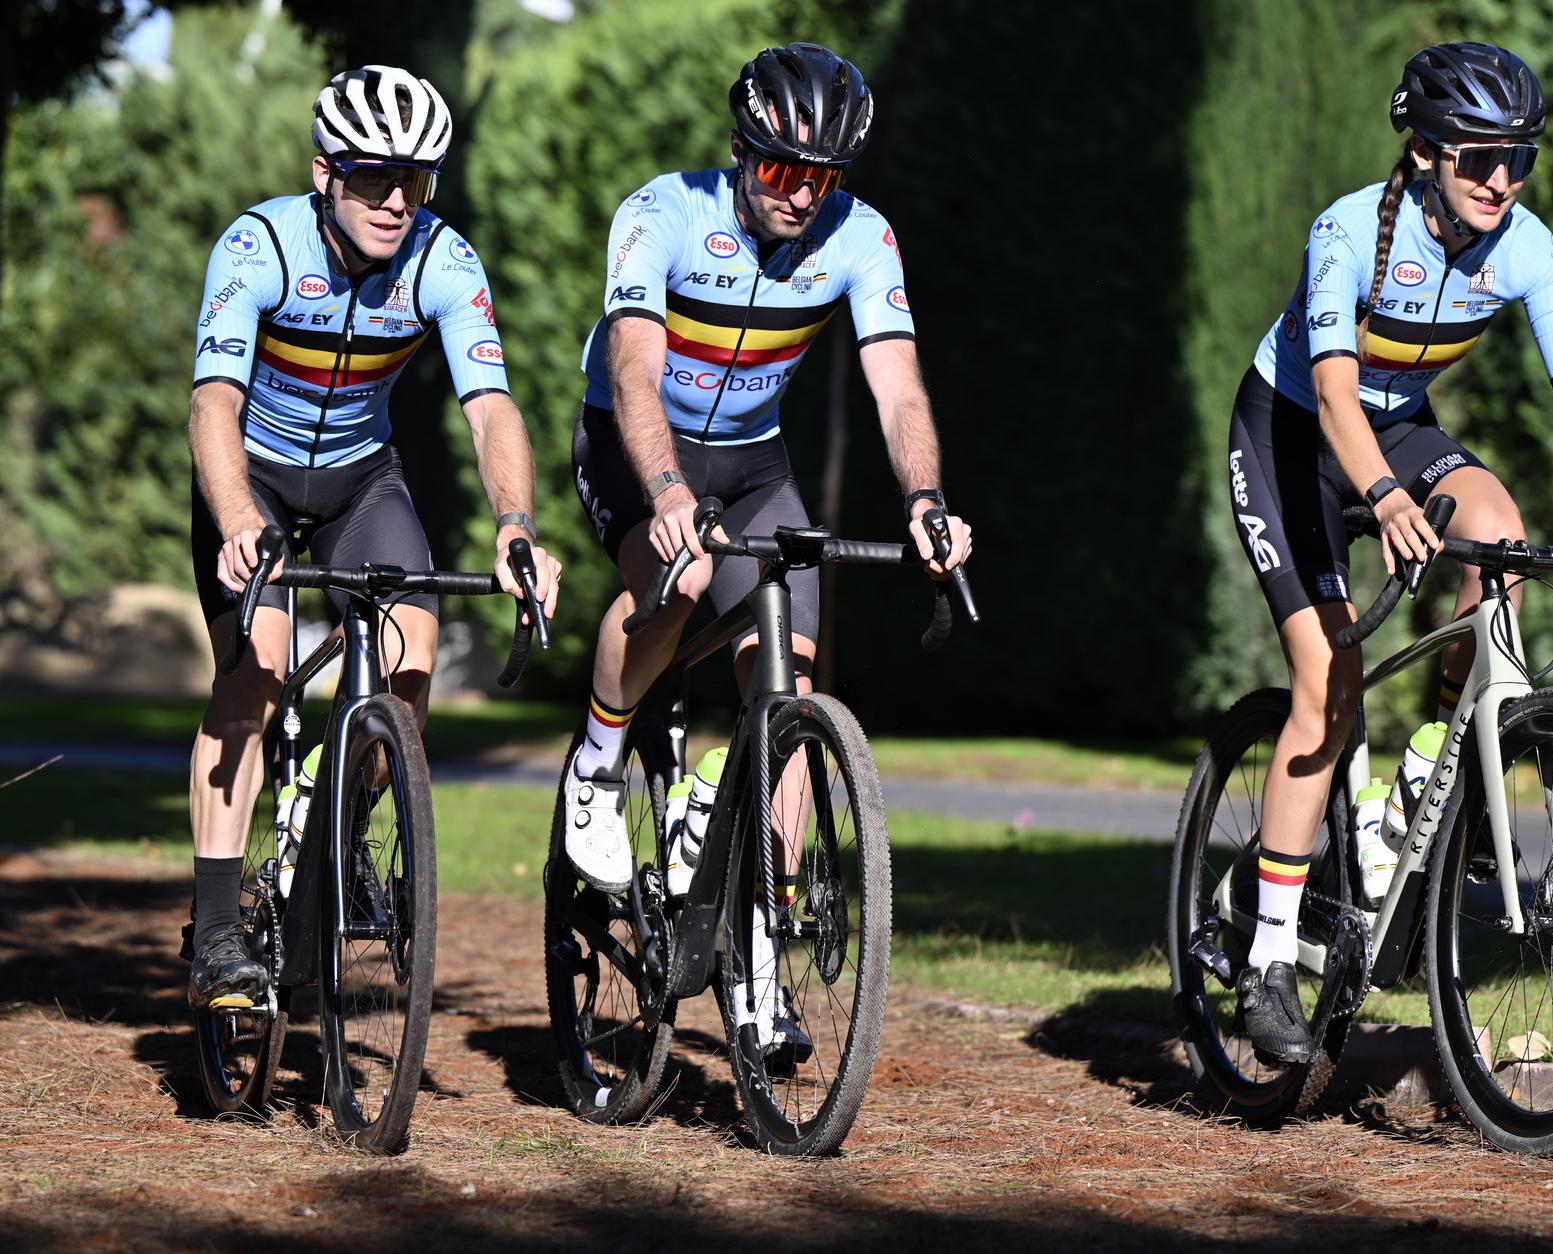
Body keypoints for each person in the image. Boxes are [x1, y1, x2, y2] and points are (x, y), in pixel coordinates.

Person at [1226, 42, 1553, 1062]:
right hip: (1291, 433)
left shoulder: (1525, 245)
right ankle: (1265, 960)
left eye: (1519, 159)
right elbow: (1336, 396)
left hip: (1399, 429)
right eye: (1480, 159)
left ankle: (1430, 767)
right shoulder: (1347, 230)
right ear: (1425, 152)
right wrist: (1384, 494)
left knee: (1502, 537)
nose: (1501, 181)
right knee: (1329, 680)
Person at [563, 42, 972, 1051]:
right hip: (634, 444)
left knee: (785, 686)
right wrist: (665, 491)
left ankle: (755, 958)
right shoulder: (662, 213)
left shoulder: (861, 238)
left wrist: (926, 499)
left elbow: (899, 387)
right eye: (784, 170)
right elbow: (632, 372)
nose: (801, 195)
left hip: (753, 463)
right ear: (743, 153)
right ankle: (599, 764)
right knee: (681, 579)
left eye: (823, 177)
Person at [184, 65, 560, 1012]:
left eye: (417, 181)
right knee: (258, 669)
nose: (398, 201)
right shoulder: (258, 245)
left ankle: (339, 829)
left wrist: (515, 525)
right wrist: (236, 519)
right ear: (326, 173)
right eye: (375, 179)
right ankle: (217, 931)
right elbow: (212, 403)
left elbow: (491, 409)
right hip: (253, 476)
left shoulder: (444, 259)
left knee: (413, 661)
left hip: (361, 477)